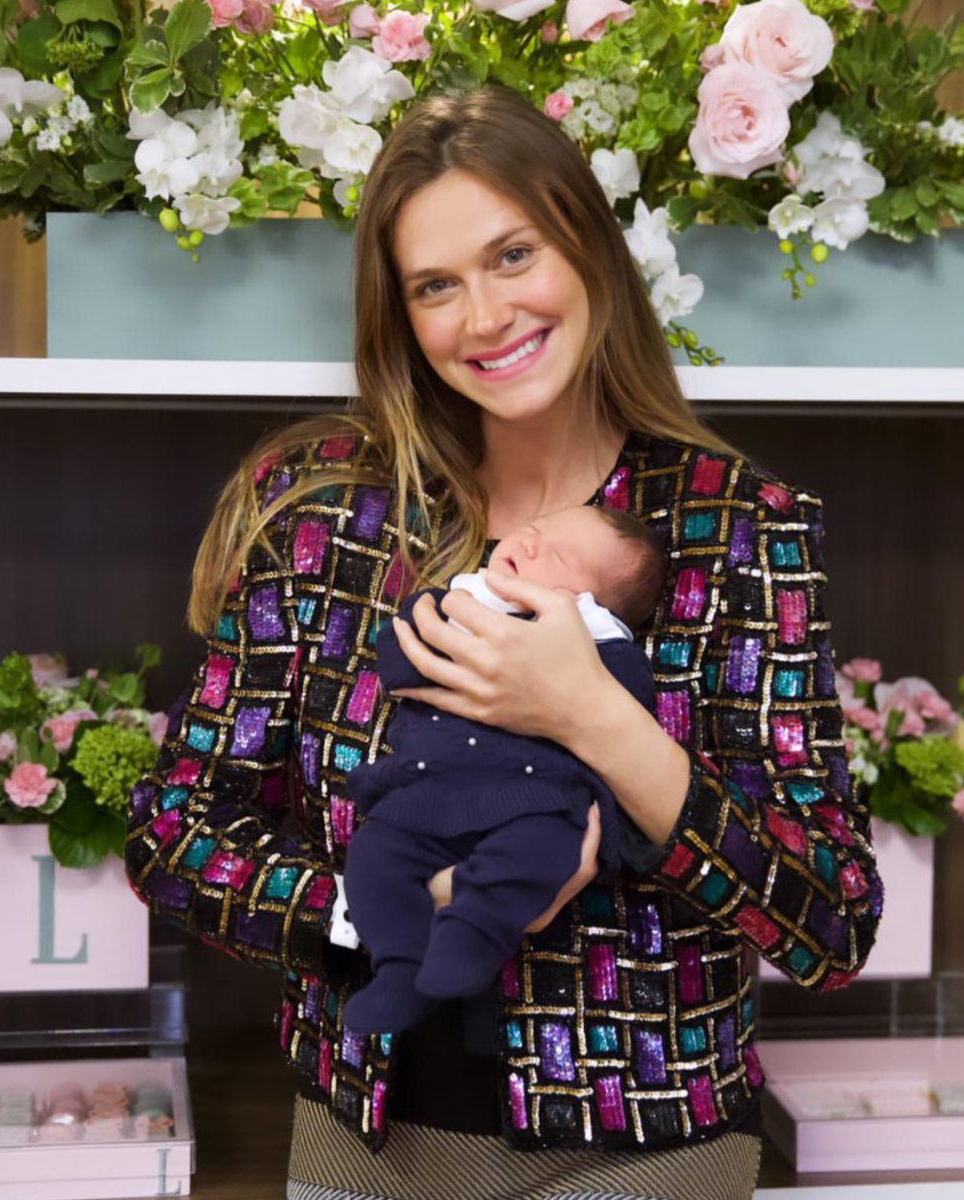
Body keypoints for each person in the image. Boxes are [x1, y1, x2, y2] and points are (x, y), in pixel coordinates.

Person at [125, 82, 884, 1200]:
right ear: (402, 314)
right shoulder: (327, 513)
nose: (483, 317)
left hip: (645, 1154)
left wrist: (593, 718)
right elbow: (176, 832)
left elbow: (830, 921)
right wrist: (374, 913)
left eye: (513, 255)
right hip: (361, 1142)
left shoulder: (737, 530)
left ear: (586, 246)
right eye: (436, 285)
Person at [341, 505, 665, 1035]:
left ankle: (476, 934)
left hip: (533, 800)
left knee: (547, 848)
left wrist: (562, 679)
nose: (530, 544)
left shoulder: (604, 647)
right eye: (534, 530)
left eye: (557, 554)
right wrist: (434, 620)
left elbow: (625, 704)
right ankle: (400, 967)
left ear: (586, 603)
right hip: (428, 792)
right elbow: (397, 667)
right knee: (375, 855)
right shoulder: (461, 602)